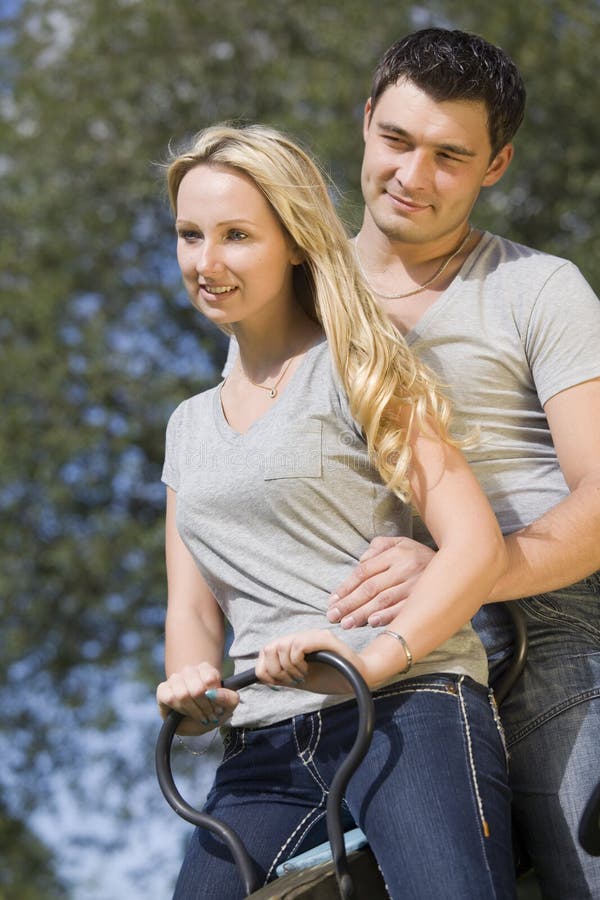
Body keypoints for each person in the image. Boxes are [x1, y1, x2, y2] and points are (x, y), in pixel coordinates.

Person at [156, 122, 517, 900]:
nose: (206, 263)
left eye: (236, 236)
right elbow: (192, 608)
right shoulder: (186, 427)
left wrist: (370, 659)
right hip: (261, 741)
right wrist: (190, 695)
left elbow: (476, 547)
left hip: (407, 707)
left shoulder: (358, 368)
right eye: (190, 235)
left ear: (293, 241)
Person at [315, 28, 600, 899]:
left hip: (549, 633)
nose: (412, 175)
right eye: (398, 141)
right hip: (374, 663)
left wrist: (466, 571)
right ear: (366, 123)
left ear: (497, 165)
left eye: (450, 156)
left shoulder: (537, 287)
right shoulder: (294, 306)